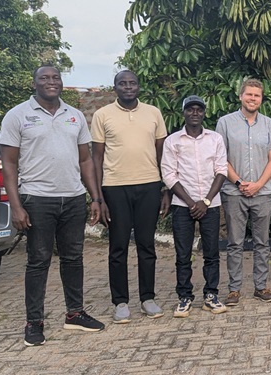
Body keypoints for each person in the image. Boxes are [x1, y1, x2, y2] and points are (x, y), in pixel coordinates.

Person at [0, 65, 105, 346]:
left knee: (73, 258)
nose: (51, 82)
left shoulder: (74, 116)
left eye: (55, 77)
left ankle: (75, 314)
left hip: (72, 198)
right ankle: (34, 322)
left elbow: (85, 161)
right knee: (38, 261)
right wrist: (16, 205)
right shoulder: (18, 115)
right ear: (34, 83)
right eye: (44, 78)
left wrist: (94, 197)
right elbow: (8, 164)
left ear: (61, 82)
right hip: (36, 198)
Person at [91, 70, 168, 323]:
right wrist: (99, 196)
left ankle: (148, 298)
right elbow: (97, 157)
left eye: (132, 83)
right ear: (115, 88)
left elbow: (161, 155)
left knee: (147, 245)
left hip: (149, 185)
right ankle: (120, 302)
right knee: (118, 246)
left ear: (138, 86)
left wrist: (165, 188)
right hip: (115, 187)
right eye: (122, 83)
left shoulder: (153, 113)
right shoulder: (102, 115)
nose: (127, 87)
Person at [162, 96, 229, 318]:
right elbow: (169, 175)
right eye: (190, 109)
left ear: (203, 113)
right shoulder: (173, 141)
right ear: (183, 113)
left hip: (210, 204)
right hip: (183, 205)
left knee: (212, 253)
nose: (194, 113)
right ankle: (184, 297)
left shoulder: (215, 139)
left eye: (198, 109)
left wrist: (206, 201)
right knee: (183, 254)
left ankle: (211, 294)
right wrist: (192, 203)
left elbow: (221, 171)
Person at [216, 79, 271, 306]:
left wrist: (259, 184)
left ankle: (261, 287)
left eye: (257, 95)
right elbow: (220, 157)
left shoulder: (269, 125)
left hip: (262, 193)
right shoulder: (225, 123)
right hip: (234, 193)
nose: (253, 98)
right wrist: (240, 182)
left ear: (261, 99)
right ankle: (234, 289)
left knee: (262, 242)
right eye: (249, 95)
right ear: (241, 96)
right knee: (235, 242)